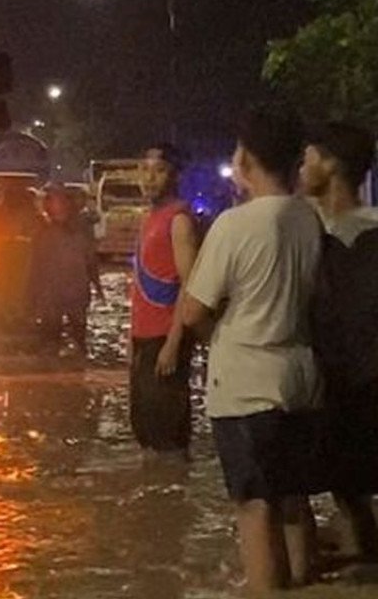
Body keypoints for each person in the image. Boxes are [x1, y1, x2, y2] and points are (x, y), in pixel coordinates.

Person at [181, 107, 323, 594]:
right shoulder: (309, 218)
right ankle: (306, 583)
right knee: (293, 500)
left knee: (255, 507)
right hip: (302, 380)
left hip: (245, 386)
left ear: (245, 159)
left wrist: (215, 337)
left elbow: (193, 311)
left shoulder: (233, 225)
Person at [301, 122, 378, 560]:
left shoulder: (360, 233)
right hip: (329, 383)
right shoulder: (306, 230)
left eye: (309, 156)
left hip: (360, 382)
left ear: (331, 164)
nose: (302, 166)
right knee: (346, 494)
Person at [129, 143, 200, 453]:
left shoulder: (179, 220)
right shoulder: (149, 219)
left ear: (174, 175)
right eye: (145, 170)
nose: (149, 178)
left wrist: (173, 343)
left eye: (159, 171)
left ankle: (173, 490)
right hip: (144, 338)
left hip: (166, 338)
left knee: (167, 433)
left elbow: (189, 284)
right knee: (145, 427)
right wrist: (132, 338)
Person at [30, 184, 103, 354]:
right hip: (53, 292)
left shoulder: (81, 229)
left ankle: (74, 364)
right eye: (54, 204)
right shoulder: (43, 231)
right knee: (51, 334)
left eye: (62, 203)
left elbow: (90, 259)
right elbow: (36, 264)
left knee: (78, 331)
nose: (58, 208)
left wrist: (97, 285)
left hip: (75, 290)